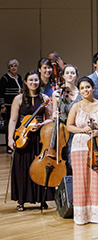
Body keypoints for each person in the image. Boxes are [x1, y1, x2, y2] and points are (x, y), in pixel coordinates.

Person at [66, 76, 98, 224]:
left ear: (92, 88)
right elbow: (69, 126)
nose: (85, 90)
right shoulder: (76, 106)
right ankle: (82, 215)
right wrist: (81, 130)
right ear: (79, 91)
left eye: (87, 87)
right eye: (82, 88)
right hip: (79, 146)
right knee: (81, 180)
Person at [8, 71, 54, 211]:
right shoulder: (19, 99)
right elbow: (13, 120)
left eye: (36, 80)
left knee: (39, 168)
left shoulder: (45, 98)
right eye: (31, 80)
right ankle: (21, 200)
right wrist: (10, 138)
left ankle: (42, 199)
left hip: (39, 137)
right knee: (22, 168)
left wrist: (41, 125)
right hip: (23, 136)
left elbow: (51, 118)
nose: (34, 82)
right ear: (26, 82)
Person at [52, 64, 82, 175]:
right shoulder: (57, 94)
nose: (70, 75)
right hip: (63, 131)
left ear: (76, 76)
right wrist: (55, 115)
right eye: (67, 73)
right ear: (63, 76)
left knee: (76, 161)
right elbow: (53, 115)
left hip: (77, 131)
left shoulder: (81, 93)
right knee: (65, 160)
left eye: (72, 73)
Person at [0, 59, 23, 153]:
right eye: (11, 66)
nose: (13, 68)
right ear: (9, 68)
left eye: (15, 66)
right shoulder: (5, 78)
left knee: (18, 125)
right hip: (8, 105)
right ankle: (9, 146)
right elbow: (0, 93)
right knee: (9, 125)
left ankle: (17, 144)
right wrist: (2, 106)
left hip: (18, 105)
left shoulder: (19, 77)